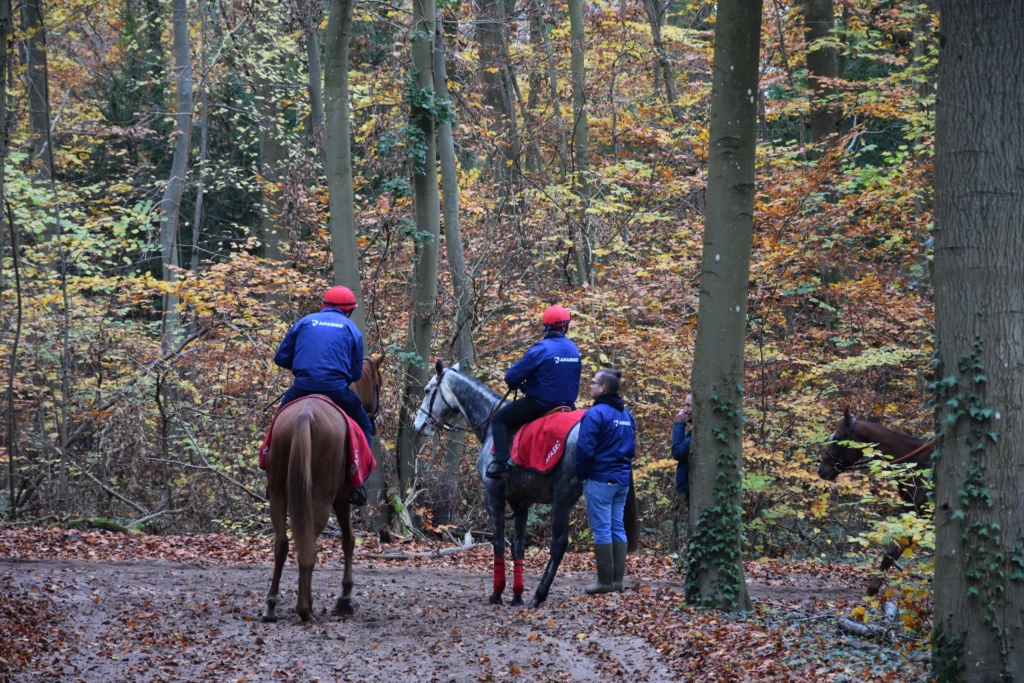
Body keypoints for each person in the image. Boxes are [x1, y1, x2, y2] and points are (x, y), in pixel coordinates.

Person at [273, 285, 373, 506]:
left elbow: (280, 358)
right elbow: (356, 373)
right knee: (365, 427)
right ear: (348, 310)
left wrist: (304, 368)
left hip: (302, 387)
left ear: (324, 306)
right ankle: (357, 484)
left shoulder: (304, 322)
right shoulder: (351, 329)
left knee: (277, 423)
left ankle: (270, 470)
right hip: (336, 391)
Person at [485, 305, 582, 479]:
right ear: (565, 326)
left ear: (546, 326)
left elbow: (511, 377)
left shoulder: (542, 348)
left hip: (540, 404)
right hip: (569, 405)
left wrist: (521, 384)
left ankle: (500, 463)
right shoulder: (574, 349)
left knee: (498, 419)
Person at [574, 368, 636, 594]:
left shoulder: (596, 414)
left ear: (603, 388)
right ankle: (617, 581)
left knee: (601, 529)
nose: (589, 386)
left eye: (593, 383)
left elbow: (584, 448)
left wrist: (580, 474)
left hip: (600, 478)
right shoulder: (627, 415)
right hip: (622, 480)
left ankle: (604, 582)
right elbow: (632, 449)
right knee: (617, 527)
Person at [672, 392, 692, 505]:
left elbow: (678, 452)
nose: (685, 410)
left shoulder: (697, 434)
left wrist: (679, 423)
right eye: (685, 405)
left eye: (688, 405)